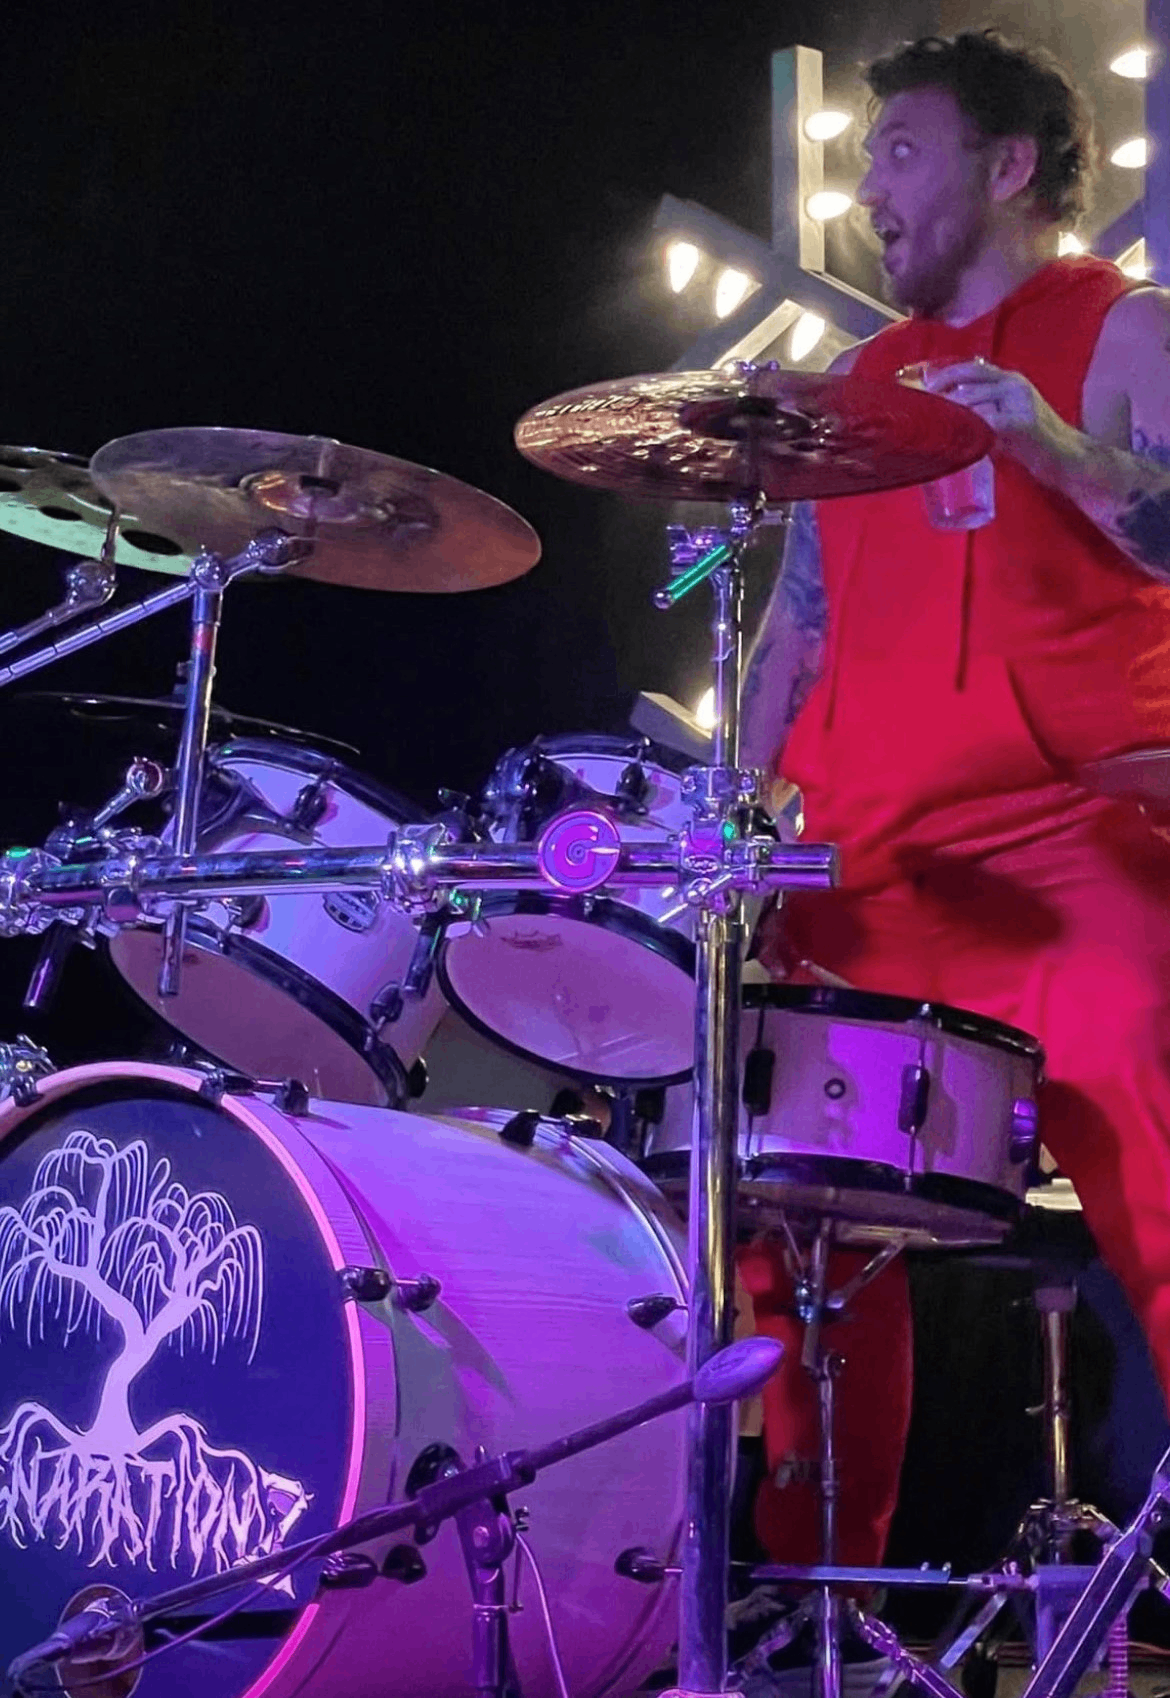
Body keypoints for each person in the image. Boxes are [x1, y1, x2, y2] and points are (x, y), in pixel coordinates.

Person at [737, 24, 1170, 1634]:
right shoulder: (853, 390)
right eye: (863, 158)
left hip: (1073, 844)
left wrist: (1057, 452)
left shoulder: (1126, 329)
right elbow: (796, 627)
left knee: (1159, 1134)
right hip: (867, 863)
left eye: (899, 150)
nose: (868, 187)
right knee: (786, 1218)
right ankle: (814, 1599)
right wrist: (746, 816)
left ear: (1005, 167)